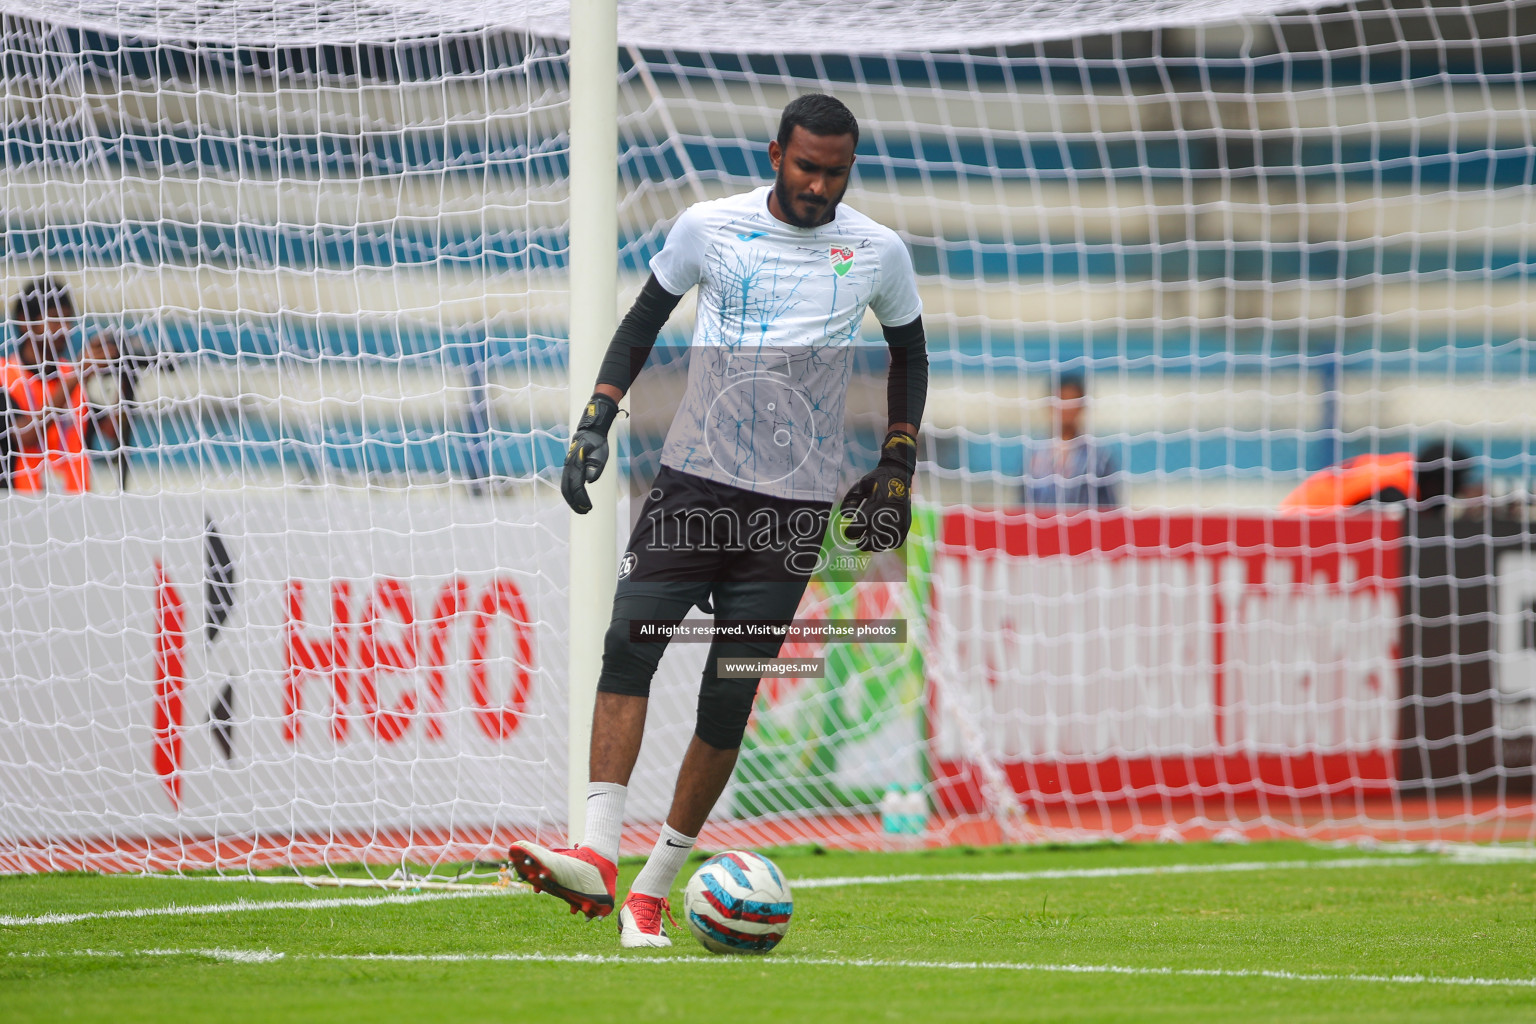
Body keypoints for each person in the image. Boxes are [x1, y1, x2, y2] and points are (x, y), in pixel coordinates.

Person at [508, 94, 927, 948]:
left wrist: (897, 462)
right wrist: (597, 414)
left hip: (794, 509)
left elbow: (909, 351)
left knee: (727, 692)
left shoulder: (877, 251)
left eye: (836, 172)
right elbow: (642, 320)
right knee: (629, 644)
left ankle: (654, 890)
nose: (819, 185)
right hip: (693, 486)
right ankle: (594, 854)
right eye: (807, 167)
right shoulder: (709, 227)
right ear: (776, 153)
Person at [1, 278, 119, 493]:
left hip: (78, 508)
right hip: (20, 508)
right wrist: (77, 376)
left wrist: (119, 378)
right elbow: (25, 436)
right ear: (25, 322)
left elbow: (112, 432)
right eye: (55, 319)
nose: (63, 328)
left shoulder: (72, 373)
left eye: (67, 320)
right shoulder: (3, 375)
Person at [1279, 439, 1480, 512]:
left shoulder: (1404, 467)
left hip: (1298, 513)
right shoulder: (1392, 494)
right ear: (1437, 484)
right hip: (1299, 524)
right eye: (1457, 485)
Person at [1022, 371, 1120, 508]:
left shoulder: (1099, 457)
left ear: (1083, 406)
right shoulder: (1033, 453)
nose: (1067, 407)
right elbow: (1021, 503)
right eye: (1062, 399)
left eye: (1072, 400)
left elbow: (1109, 505)